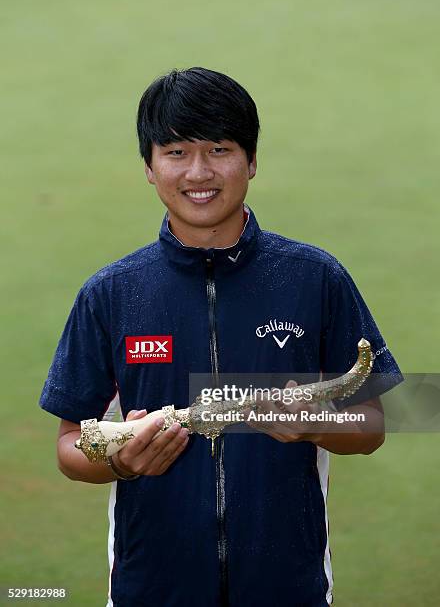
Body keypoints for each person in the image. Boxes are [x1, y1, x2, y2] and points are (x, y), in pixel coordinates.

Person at [40, 67, 402, 607]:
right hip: (150, 592)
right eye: (177, 152)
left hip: (289, 591)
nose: (199, 172)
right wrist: (120, 457)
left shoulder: (314, 277)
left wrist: (315, 421)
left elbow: (372, 423)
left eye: (219, 149)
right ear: (149, 166)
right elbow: (70, 447)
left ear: (251, 161)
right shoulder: (111, 293)